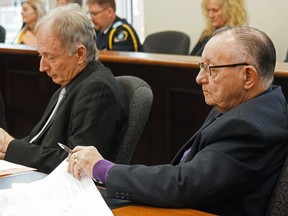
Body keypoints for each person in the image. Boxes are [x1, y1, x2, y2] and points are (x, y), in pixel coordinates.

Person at [67, 26, 288, 216]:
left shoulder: (250, 127)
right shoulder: (249, 104)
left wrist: (104, 169)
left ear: (248, 76)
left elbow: (184, 184)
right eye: (201, 66)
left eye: (211, 69)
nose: (199, 78)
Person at [0, 4, 128, 174]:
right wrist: (6, 147)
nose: (42, 67)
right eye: (41, 55)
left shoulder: (97, 90)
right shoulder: (72, 84)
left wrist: (11, 147)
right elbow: (36, 140)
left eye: (49, 57)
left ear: (80, 54)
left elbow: (75, 162)